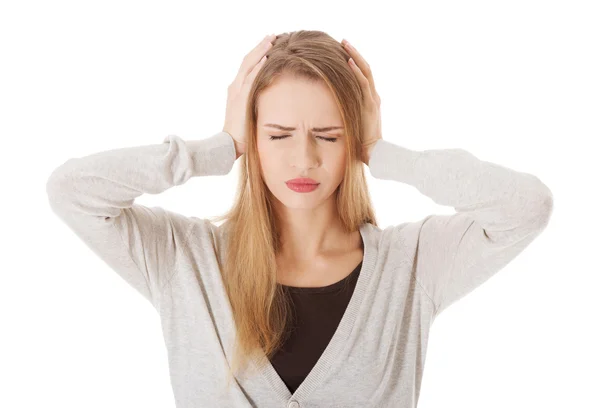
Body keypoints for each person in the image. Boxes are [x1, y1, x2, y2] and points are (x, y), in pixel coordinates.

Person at [45, 30, 554, 408]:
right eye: (278, 134)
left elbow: (526, 206)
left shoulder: (413, 266)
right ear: (253, 136)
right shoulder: (183, 261)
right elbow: (73, 190)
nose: (304, 160)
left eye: (329, 135)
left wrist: (382, 152)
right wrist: (219, 149)